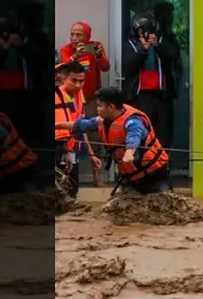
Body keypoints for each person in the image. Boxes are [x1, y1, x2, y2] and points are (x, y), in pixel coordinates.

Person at [57, 87, 171, 195]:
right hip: (132, 178)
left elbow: (134, 137)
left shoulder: (133, 121)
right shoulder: (103, 120)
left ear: (111, 107)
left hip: (155, 175)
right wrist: (57, 125)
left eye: (100, 106)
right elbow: (81, 125)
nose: (97, 109)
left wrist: (129, 153)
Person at [0, 12, 49, 149]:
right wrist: (3, 49)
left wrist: (23, 45)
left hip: (23, 96)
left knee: (24, 136)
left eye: (8, 31)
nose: (5, 35)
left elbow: (42, 60)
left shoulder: (22, 44)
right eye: (1, 32)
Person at [121, 11, 179, 148]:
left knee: (163, 136)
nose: (145, 34)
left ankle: (163, 165)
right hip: (139, 97)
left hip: (162, 97)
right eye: (142, 30)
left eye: (149, 30)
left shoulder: (162, 43)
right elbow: (128, 68)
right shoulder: (130, 45)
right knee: (141, 133)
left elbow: (173, 56)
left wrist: (158, 45)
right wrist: (143, 50)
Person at [54, 61, 102, 200]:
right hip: (59, 150)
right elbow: (60, 128)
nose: (78, 85)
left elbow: (80, 127)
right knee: (60, 193)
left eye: (81, 81)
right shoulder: (57, 95)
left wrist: (91, 154)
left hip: (73, 149)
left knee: (72, 192)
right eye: (74, 80)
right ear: (63, 77)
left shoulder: (78, 95)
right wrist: (66, 152)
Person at [59, 21, 110, 99]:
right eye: (72, 34)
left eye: (78, 35)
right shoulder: (65, 49)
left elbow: (105, 68)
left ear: (86, 36)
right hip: (72, 96)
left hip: (92, 97)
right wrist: (75, 56)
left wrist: (99, 56)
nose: (74, 38)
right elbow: (64, 70)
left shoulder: (95, 46)